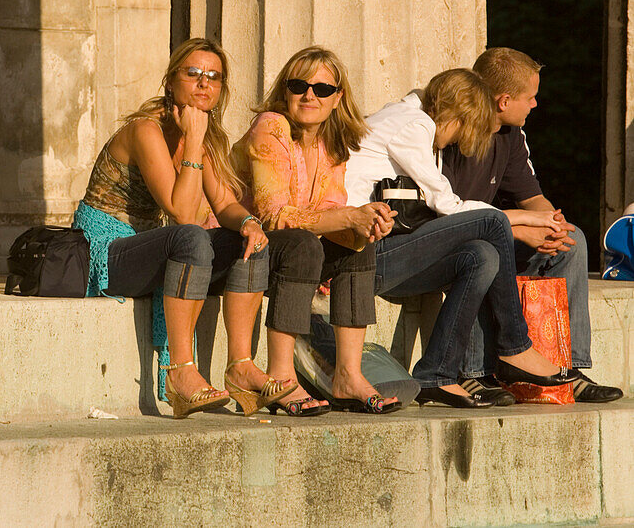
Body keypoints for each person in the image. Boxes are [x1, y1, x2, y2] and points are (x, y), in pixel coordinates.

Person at [72, 38, 301, 419]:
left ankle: (241, 366)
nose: (203, 84)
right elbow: (181, 212)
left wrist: (247, 223)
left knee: (249, 241)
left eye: (213, 77)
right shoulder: (146, 130)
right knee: (192, 236)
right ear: (170, 80)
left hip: (152, 247)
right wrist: (193, 141)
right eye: (192, 74)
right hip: (106, 251)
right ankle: (180, 371)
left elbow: (224, 204)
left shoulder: (203, 137)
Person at [344, 68, 576, 407]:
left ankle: (436, 373)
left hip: (382, 252)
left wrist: (522, 225)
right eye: (464, 131)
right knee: (490, 224)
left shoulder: (412, 121)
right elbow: (448, 206)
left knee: (481, 256)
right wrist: (527, 218)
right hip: (360, 258)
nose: (456, 142)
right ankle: (515, 346)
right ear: (456, 116)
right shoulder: (414, 124)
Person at [442, 47, 623, 403]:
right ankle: (475, 372)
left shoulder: (510, 135)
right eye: (531, 97)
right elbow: (449, 215)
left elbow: (530, 197)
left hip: (498, 229)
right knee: (485, 251)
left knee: (573, 240)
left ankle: (566, 368)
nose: (536, 105)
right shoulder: (452, 133)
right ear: (504, 100)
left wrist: (552, 224)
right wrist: (521, 228)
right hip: (455, 241)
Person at [231, 46, 402, 415]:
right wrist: (347, 219)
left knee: (360, 245)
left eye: (323, 89)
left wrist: (366, 222)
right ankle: (281, 378)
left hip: (285, 248)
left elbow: (328, 209)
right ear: (285, 91)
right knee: (305, 246)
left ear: (338, 98)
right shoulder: (271, 127)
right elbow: (273, 214)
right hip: (238, 243)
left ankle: (348, 376)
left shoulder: (332, 141)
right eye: (299, 85)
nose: (310, 95)